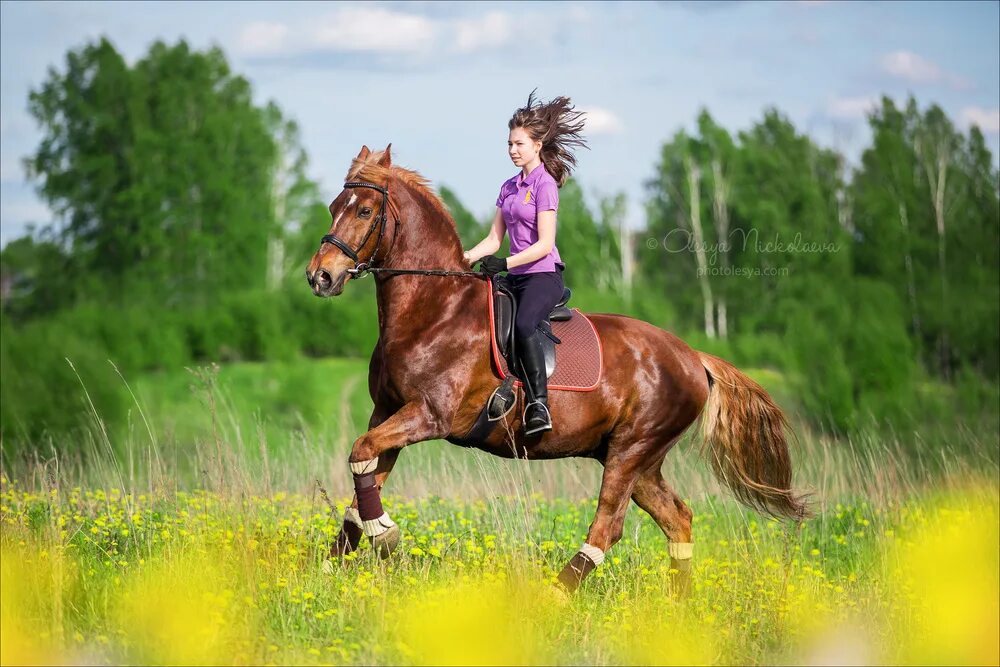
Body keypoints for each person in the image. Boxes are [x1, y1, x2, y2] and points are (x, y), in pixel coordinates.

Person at [463, 91, 587, 435]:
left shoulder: (546, 185)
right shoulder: (508, 187)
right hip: (514, 274)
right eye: (509, 144)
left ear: (537, 145)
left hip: (542, 276)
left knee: (523, 325)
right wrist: (464, 258)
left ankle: (538, 405)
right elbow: (492, 239)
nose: (512, 150)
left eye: (519, 143)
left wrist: (503, 261)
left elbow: (545, 244)